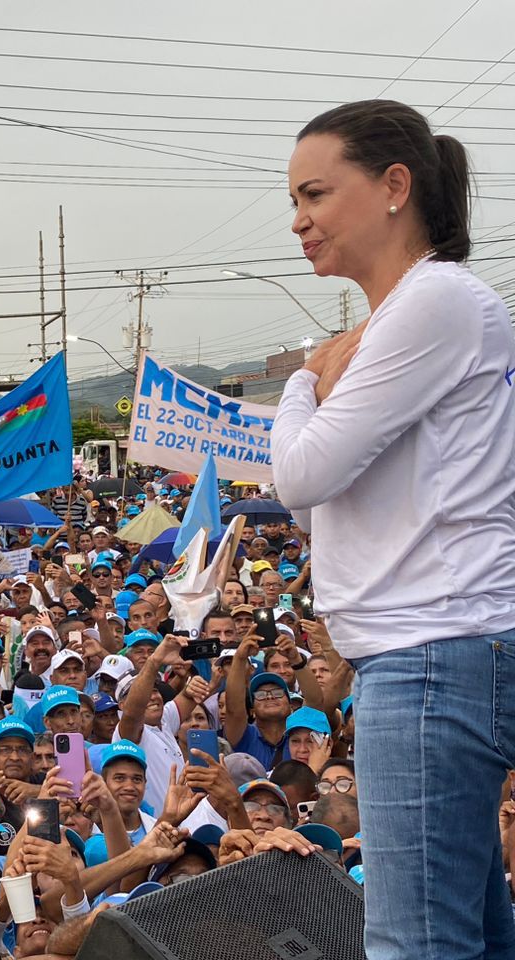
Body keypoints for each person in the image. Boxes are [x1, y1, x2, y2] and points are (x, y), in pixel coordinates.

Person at [274, 99, 515, 960]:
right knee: (475, 939)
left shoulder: (434, 302)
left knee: (415, 946)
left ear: (393, 187)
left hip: (431, 652)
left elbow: (296, 474)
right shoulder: (401, 319)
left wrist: (305, 381)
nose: (298, 221)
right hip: (425, 655)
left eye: (315, 194)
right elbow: (313, 506)